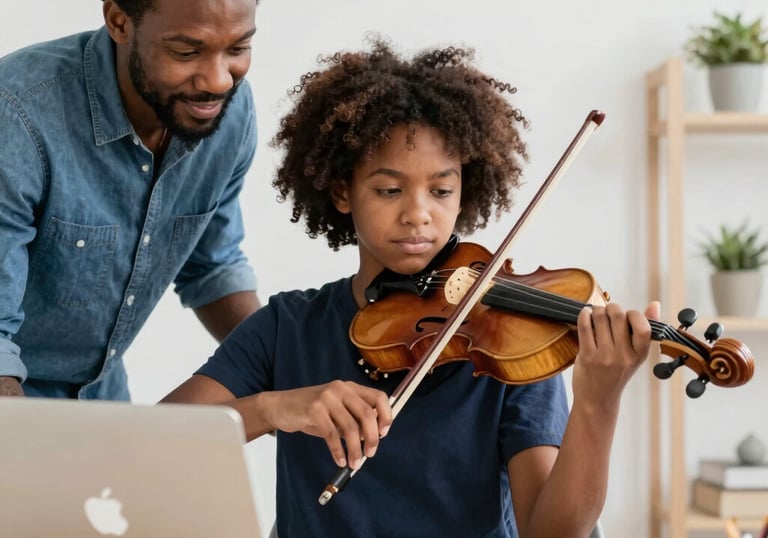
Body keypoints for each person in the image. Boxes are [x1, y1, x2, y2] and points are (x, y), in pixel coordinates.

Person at [162, 39, 660, 537]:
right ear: (342, 191)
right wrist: (275, 407)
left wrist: (599, 399)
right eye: (389, 190)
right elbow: (157, 442)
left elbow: (551, 531)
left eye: (442, 190)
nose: (418, 213)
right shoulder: (287, 327)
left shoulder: (511, 344)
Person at [0, 0, 263, 400]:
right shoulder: (18, 114)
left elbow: (211, 266)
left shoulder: (229, 112)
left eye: (238, 48)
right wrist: (32, 448)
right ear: (119, 21)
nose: (219, 80)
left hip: (103, 398)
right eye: (187, 52)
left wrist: (287, 368)